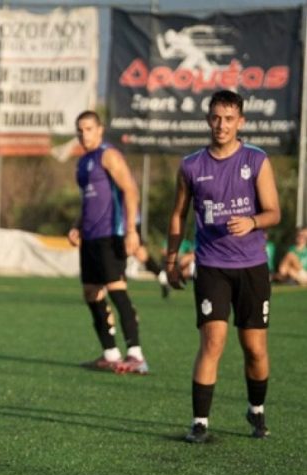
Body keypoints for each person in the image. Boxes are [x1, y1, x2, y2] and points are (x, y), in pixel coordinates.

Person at [166, 89, 281, 443]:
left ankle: (256, 409)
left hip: (252, 266)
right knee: (212, 342)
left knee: (254, 349)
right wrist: (171, 259)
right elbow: (178, 215)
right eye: (216, 117)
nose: (221, 125)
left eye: (229, 119)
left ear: (240, 122)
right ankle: (199, 422)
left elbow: (274, 212)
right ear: (208, 120)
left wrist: (253, 222)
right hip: (211, 266)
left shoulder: (256, 160)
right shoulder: (191, 166)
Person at [69, 111, 149, 374]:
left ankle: (136, 355)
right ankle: (111, 354)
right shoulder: (83, 162)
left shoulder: (109, 155)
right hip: (90, 237)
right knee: (91, 293)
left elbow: (130, 190)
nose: (84, 134)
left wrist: (131, 230)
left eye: (89, 128)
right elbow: (88, 201)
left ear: (100, 130)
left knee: (117, 290)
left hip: (111, 234)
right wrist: (77, 226)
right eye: (80, 129)